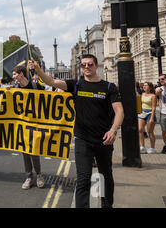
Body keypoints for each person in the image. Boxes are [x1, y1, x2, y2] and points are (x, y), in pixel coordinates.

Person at [29, 54, 124, 208]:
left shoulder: (108, 87)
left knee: (105, 176)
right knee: (83, 179)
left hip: (104, 140)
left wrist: (113, 130)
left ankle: (107, 206)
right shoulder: (76, 85)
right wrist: (38, 70)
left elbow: (119, 110)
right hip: (82, 140)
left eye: (90, 64)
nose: (86, 67)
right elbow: (52, 81)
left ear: (96, 65)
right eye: (83, 65)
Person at [5, 65, 45, 189]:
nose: (13, 77)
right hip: (21, 124)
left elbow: (48, 100)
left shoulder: (35, 86)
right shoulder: (15, 88)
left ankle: (38, 175)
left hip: (34, 124)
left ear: (21, 74)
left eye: (15, 74)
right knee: (24, 151)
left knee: (34, 150)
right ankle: (29, 176)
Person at [138, 82, 157, 154]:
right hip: (142, 113)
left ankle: (152, 148)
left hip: (150, 113)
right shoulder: (142, 94)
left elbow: (154, 107)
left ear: (150, 87)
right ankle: (142, 147)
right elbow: (140, 104)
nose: (144, 86)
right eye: (144, 85)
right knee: (140, 130)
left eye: (146, 85)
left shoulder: (153, 96)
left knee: (150, 132)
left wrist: (152, 118)